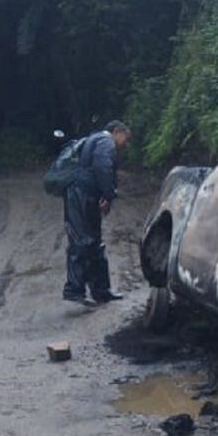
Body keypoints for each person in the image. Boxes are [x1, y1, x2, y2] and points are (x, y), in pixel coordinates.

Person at [63, 120, 131, 305]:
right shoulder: (105, 141)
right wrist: (108, 195)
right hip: (81, 195)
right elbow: (103, 167)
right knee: (82, 240)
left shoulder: (96, 140)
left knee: (95, 243)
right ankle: (74, 289)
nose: (127, 143)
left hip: (85, 195)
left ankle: (101, 290)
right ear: (117, 132)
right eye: (126, 137)